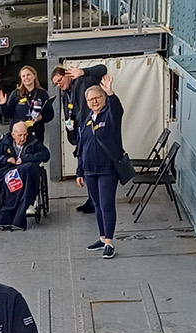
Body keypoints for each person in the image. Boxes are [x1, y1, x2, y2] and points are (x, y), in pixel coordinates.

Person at [76, 77, 124, 259]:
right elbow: (82, 147)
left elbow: (118, 110)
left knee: (106, 205)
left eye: (98, 97)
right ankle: (102, 237)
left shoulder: (110, 117)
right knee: (97, 205)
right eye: (90, 99)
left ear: (104, 98)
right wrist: (80, 171)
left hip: (107, 170)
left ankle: (110, 243)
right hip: (90, 171)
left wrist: (111, 93)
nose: (94, 101)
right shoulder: (87, 119)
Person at [51, 62, 107, 213]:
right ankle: (92, 199)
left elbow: (102, 69)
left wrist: (83, 71)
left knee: (92, 166)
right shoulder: (65, 94)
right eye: (56, 84)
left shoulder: (83, 82)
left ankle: (97, 201)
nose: (59, 85)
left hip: (91, 130)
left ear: (67, 75)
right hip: (79, 133)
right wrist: (75, 139)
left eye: (60, 80)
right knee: (84, 165)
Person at [0, 121, 50, 231]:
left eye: (25, 134)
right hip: (10, 171)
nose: (23, 138)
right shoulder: (5, 143)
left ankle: (20, 210)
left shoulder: (33, 141)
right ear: (13, 135)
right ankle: (14, 212)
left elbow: (46, 154)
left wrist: (26, 159)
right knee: (17, 174)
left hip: (28, 173)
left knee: (29, 168)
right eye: (20, 135)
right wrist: (5, 160)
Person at [0, 66, 54, 144]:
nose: (26, 77)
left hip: (36, 134)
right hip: (19, 136)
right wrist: (2, 105)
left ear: (34, 76)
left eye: (28, 75)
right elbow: (8, 114)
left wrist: (41, 117)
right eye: (23, 76)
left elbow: (50, 114)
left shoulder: (42, 94)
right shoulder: (15, 94)